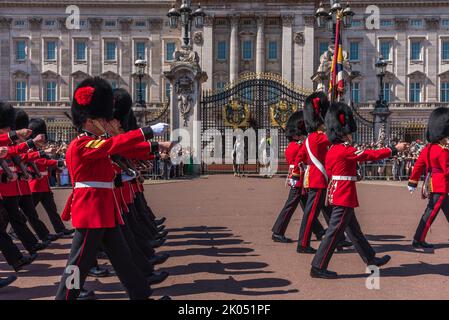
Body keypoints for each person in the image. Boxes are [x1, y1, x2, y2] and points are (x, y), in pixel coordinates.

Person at [55, 77, 170, 300]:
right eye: (102, 119)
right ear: (89, 120)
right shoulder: (81, 144)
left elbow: (119, 150)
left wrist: (151, 147)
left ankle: (142, 296)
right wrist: (147, 132)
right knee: (77, 264)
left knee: (124, 260)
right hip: (91, 211)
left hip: (103, 210)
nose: (106, 123)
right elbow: (114, 144)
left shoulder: (92, 141)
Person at [310, 102, 407, 279]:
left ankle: (371, 258)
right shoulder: (344, 149)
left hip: (339, 191)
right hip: (343, 195)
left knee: (354, 231)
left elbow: (336, 171)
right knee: (334, 232)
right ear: (343, 133)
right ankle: (318, 266)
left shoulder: (333, 150)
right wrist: (393, 149)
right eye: (348, 132)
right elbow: (369, 155)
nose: (350, 135)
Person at [271, 111, 325, 243]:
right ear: (295, 134)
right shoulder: (298, 146)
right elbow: (299, 163)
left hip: (299, 179)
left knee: (308, 207)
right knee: (291, 205)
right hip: (299, 179)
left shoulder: (293, 146)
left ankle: (318, 230)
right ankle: (278, 231)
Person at [408, 107, 449, 249]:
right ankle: (418, 239)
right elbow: (447, 170)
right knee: (430, 213)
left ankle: (418, 238)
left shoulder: (428, 149)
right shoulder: (443, 151)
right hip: (441, 185)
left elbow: (418, 166)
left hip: (433, 183)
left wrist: (412, 182)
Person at [27, 118, 74, 238]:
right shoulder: (30, 149)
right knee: (29, 211)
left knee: (52, 210)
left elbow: (44, 162)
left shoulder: (38, 149)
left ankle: (60, 229)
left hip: (44, 185)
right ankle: (15, 229)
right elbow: (38, 161)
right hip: (35, 185)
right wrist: (57, 163)